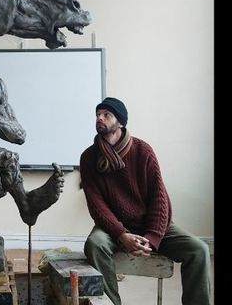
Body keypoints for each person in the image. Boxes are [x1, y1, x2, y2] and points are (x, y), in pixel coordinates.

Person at [80, 97, 211, 305]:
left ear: (120, 122)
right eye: (97, 114)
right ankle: (110, 303)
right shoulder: (88, 158)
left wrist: (151, 238)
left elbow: (159, 200)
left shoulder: (143, 151)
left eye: (106, 114)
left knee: (199, 250)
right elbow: (97, 206)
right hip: (115, 228)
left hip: (150, 224)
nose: (99, 118)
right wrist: (122, 235)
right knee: (95, 244)